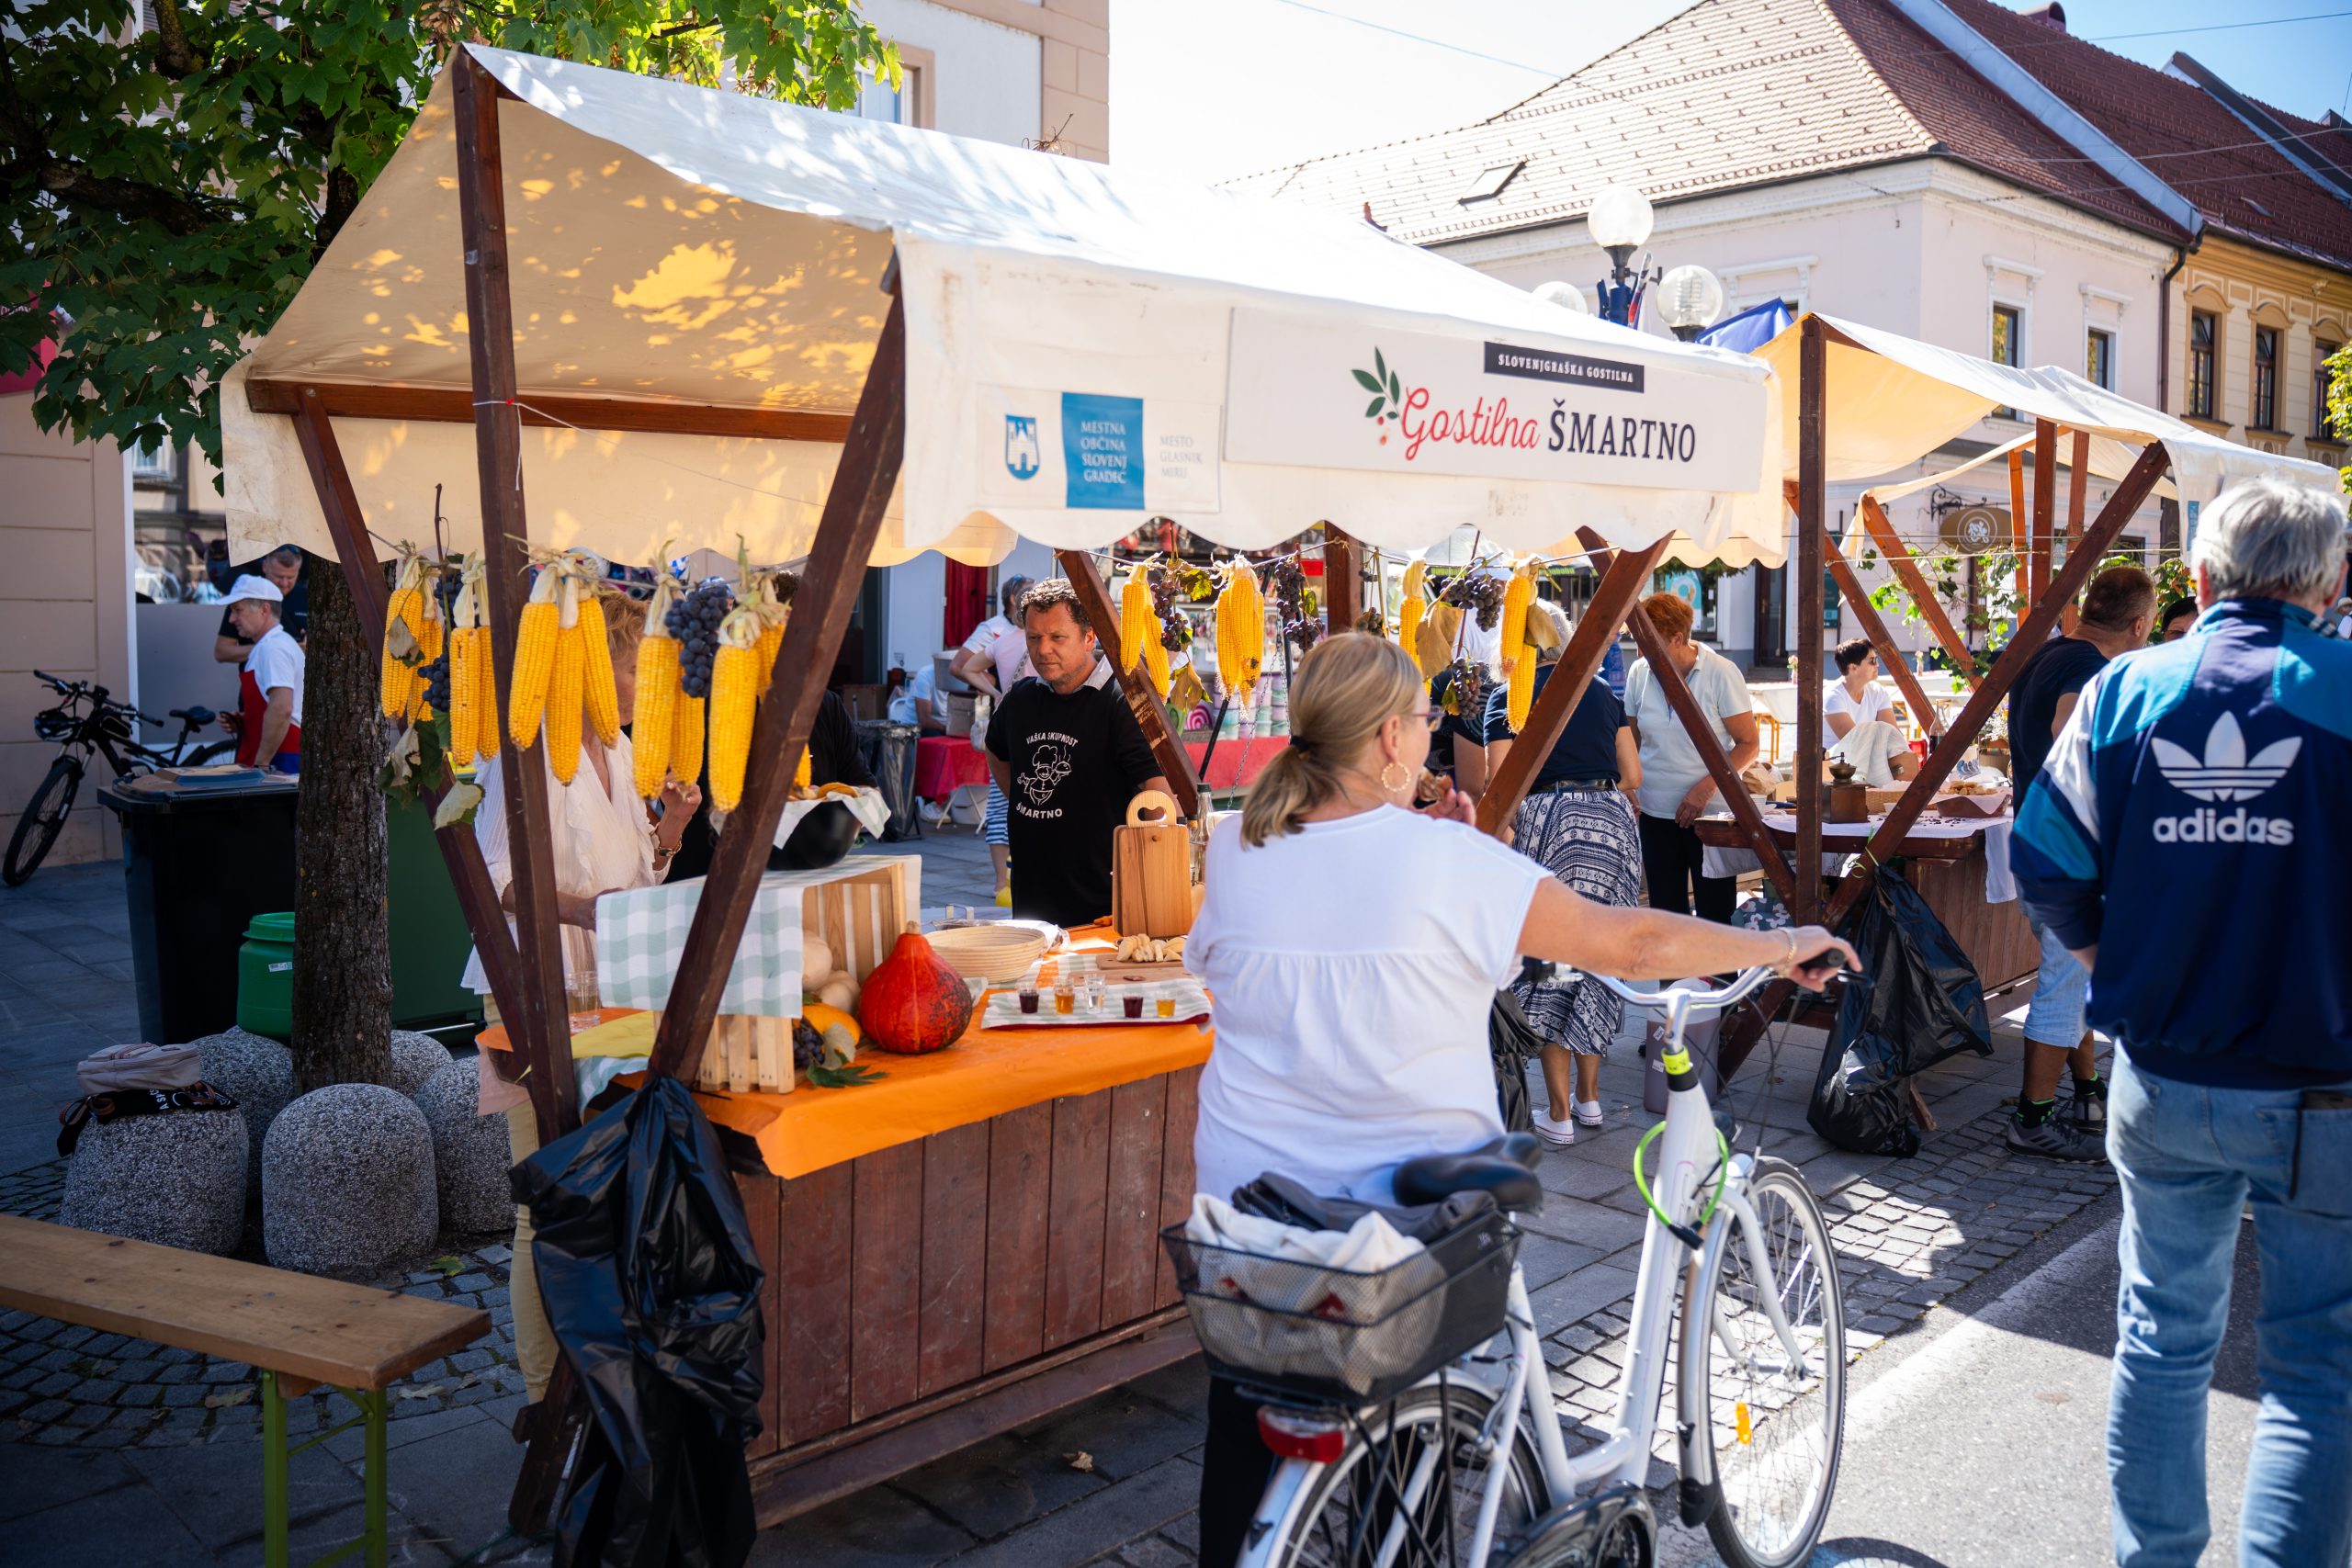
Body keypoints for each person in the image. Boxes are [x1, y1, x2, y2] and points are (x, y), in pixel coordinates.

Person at [1183, 632, 1857, 1567]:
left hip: (1245, 1214)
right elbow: (1632, 945)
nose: (1428, 734)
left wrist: (1459, 852)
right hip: (1402, 1221)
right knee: (1407, 1419)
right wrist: (1781, 946)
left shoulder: (1235, 845)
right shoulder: (1446, 860)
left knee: (1247, 1404)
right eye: (1422, 719)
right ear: (1387, 739)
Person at [2012, 479, 2352, 1568]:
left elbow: (2043, 854)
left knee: (2161, 1342)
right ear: (2333, 583)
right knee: (2314, 1369)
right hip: (2321, 1084)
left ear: (2198, 580)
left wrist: (2107, 959)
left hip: (2158, 1071)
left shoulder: (2125, 689)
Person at [464, 592, 701, 1405]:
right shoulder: (526, 748)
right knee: (547, 1202)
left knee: (611, 1191)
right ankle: (543, 1398)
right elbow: (493, 881)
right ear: (597, 668)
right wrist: (576, 910)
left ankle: (603, 1383)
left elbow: (637, 879)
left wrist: (671, 828)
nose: (649, 687)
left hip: (613, 992)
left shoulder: (623, 747)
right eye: (638, 670)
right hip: (531, 995)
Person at [2001, 562, 2155, 1162]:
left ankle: (2088, 1092)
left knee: (2073, 980)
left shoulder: (2048, 654)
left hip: (2037, 841)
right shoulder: (2090, 668)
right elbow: (2071, 730)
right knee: (2065, 985)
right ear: (2138, 625)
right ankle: (2032, 1119)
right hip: (2071, 852)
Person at [1481, 601, 1645, 1145]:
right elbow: (1633, 774)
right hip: (1612, 821)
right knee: (1599, 954)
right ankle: (1589, 1099)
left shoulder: (1508, 697)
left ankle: (1558, 1112)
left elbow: (1501, 781)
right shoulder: (1600, 693)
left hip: (1548, 820)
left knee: (1552, 963)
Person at [983, 580, 1171, 928]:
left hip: (1102, 905)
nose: (1043, 649)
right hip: (1031, 898)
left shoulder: (1120, 702)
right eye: (1034, 638)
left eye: (1057, 637)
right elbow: (995, 750)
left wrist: (1151, 883)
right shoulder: (1021, 698)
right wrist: (1023, 799)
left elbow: (1157, 795)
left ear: (1089, 638)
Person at [1623, 592, 1758, 921]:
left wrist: (1705, 790)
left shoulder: (1721, 672)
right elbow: (1631, 740)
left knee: (1715, 915)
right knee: (1665, 916)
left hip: (1711, 817)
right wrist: (1627, 784)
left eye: (1647, 643)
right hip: (1654, 813)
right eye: (1637, 643)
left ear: (1678, 639)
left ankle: (1718, 963)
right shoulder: (1639, 672)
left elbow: (1749, 745)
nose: (1639, 652)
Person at [664, 685, 872, 883]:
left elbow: (865, 789)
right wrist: (662, 841)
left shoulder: (824, 704)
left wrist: (835, 821)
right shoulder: (690, 705)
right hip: (702, 881)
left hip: (805, 879)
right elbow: (647, 790)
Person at [954, 575, 1035, 904]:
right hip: (1038, 725)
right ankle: (1030, 872)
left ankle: (1001, 881)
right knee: (1037, 799)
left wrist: (997, 692)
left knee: (1001, 805)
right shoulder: (1042, 642)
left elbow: (967, 669)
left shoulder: (1001, 643)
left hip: (1005, 723)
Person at [221, 575, 303, 773]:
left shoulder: (274, 648)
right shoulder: (268, 646)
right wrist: (245, 719)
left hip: (282, 760)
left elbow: (282, 708)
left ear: (264, 610)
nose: (232, 619)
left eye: (238, 610)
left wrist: (262, 763)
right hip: (276, 756)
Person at [213, 547, 307, 662]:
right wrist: (272, 649)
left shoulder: (308, 597)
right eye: (278, 576)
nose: (284, 583)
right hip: (255, 671)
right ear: (264, 567)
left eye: (290, 577)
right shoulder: (247, 594)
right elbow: (221, 651)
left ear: (298, 571)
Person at [888, 654, 944, 734]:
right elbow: (924, 721)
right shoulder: (925, 674)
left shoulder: (959, 677)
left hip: (941, 725)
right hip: (914, 729)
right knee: (934, 735)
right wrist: (948, 730)